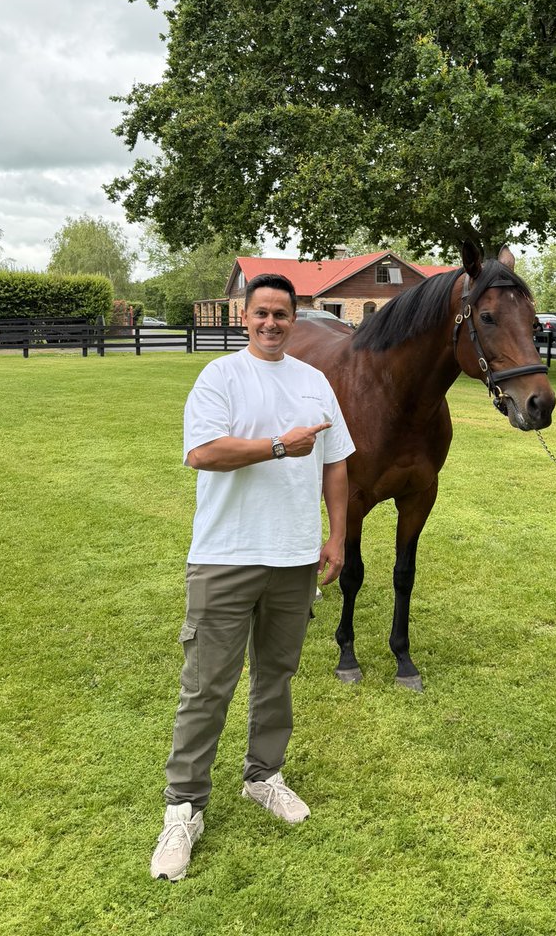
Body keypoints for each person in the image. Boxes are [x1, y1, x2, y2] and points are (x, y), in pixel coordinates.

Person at [150, 273, 355, 881]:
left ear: (296, 319)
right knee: (207, 684)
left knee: (277, 676)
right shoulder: (220, 377)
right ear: (244, 318)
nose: (271, 323)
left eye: (282, 315)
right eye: (261, 313)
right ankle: (184, 808)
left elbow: (337, 463)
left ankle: (263, 777)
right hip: (226, 555)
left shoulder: (314, 382)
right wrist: (275, 447)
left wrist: (337, 535)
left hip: (294, 559)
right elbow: (202, 453)